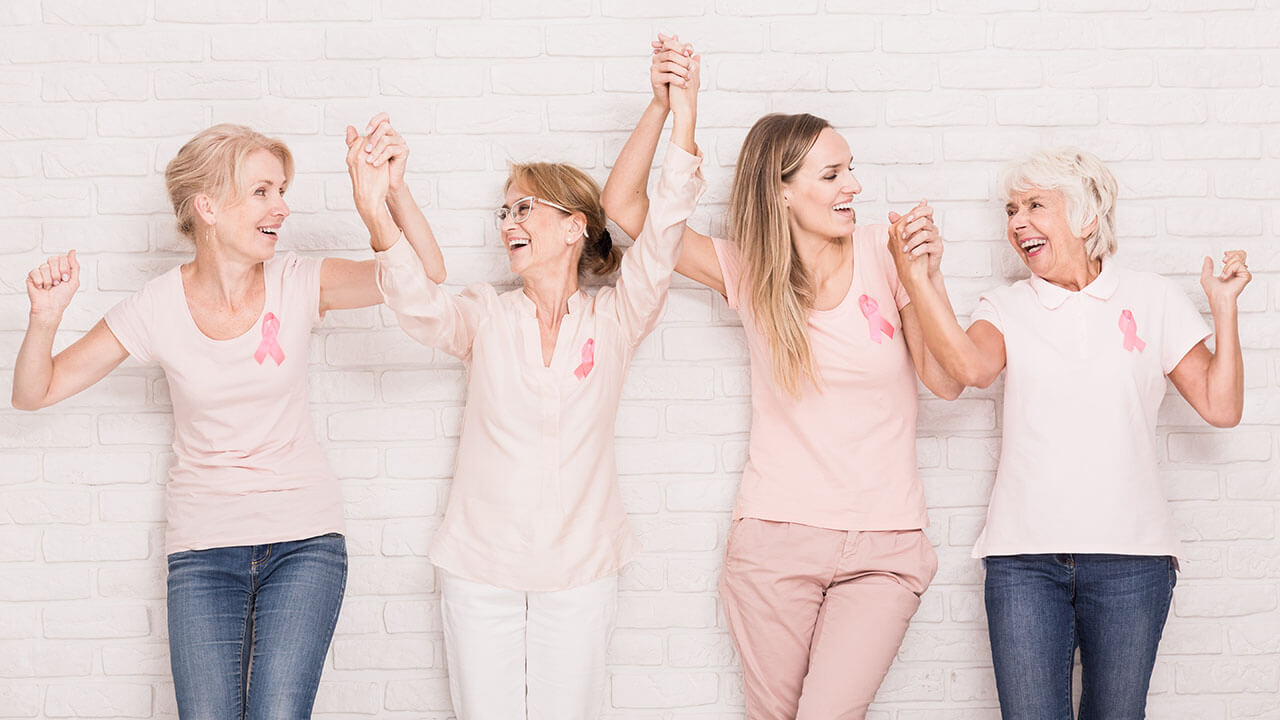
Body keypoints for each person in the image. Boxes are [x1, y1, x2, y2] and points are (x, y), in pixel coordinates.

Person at [12, 118, 427, 719]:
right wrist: (46, 317)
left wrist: (385, 197)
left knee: (277, 714)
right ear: (207, 206)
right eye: (262, 191)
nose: (282, 207)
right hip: (204, 552)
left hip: (304, 541)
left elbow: (423, 280)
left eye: (282, 190)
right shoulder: (156, 305)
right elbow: (34, 391)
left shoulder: (298, 281)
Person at [602, 34, 960, 720]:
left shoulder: (885, 252)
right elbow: (625, 209)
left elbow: (946, 383)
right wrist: (670, 110)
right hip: (773, 544)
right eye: (832, 175)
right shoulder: (750, 272)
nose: (853, 184)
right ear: (783, 191)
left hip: (884, 544)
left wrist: (926, 277)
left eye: (850, 169)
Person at [351, 56, 705, 720]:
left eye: (525, 208)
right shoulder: (484, 316)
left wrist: (674, 113)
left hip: (580, 572)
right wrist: (383, 203)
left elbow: (662, 235)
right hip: (478, 569)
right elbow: (416, 304)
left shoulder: (617, 319)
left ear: (576, 226)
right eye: (503, 210)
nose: (508, 221)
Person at [886, 146, 1249, 719]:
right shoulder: (1006, 306)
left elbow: (1221, 406)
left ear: (1086, 217)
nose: (1017, 222)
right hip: (1024, 563)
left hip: (1133, 560)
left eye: (1035, 205)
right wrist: (919, 278)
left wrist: (1223, 309)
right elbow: (969, 368)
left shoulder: (1151, 298)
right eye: (1010, 210)